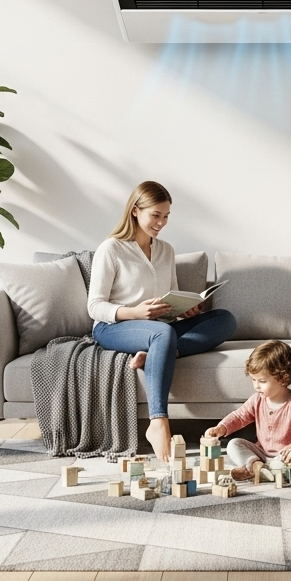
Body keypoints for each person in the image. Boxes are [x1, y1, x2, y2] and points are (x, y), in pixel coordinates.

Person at [88, 181, 237, 461]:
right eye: (155, 215)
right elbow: (94, 306)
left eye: (166, 216)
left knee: (224, 319)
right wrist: (134, 312)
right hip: (114, 327)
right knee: (161, 334)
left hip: (158, 328)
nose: (161, 222)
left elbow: (168, 298)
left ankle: (159, 355)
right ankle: (158, 421)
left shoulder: (166, 250)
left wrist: (184, 310)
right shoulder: (111, 249)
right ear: (135, 211)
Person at [204, 340, 291, 483]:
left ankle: (259, 470)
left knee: (290, 466)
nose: (256, 386)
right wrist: (222, 428)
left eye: (262, 381)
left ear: (283, 378)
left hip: (289, 457)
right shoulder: (256, 400)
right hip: (262, 453)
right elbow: (239, 416)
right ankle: (256, 465)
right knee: (234, 444)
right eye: (253, 380)